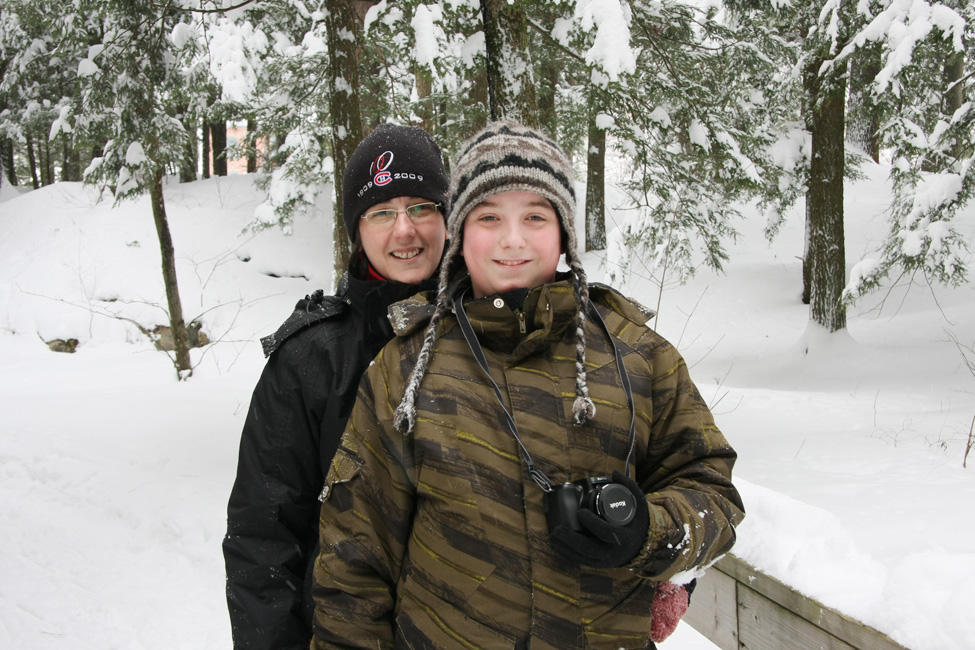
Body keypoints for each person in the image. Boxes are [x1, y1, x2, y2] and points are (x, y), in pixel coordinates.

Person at [311, 122, 744, 650]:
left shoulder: (641, 358)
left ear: (563, 234)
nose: (512, 239)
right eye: (489, 217)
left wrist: (646, 532)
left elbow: (713, 496)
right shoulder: (402, 372)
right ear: (459, 236)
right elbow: (355, 561)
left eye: (535, 217)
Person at [223, 123, 450, 650]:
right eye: (382, 212)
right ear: (356, 228)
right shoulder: (309, 359)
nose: (405, 231)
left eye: (421, 207)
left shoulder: (492, 330)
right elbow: (265, 536)